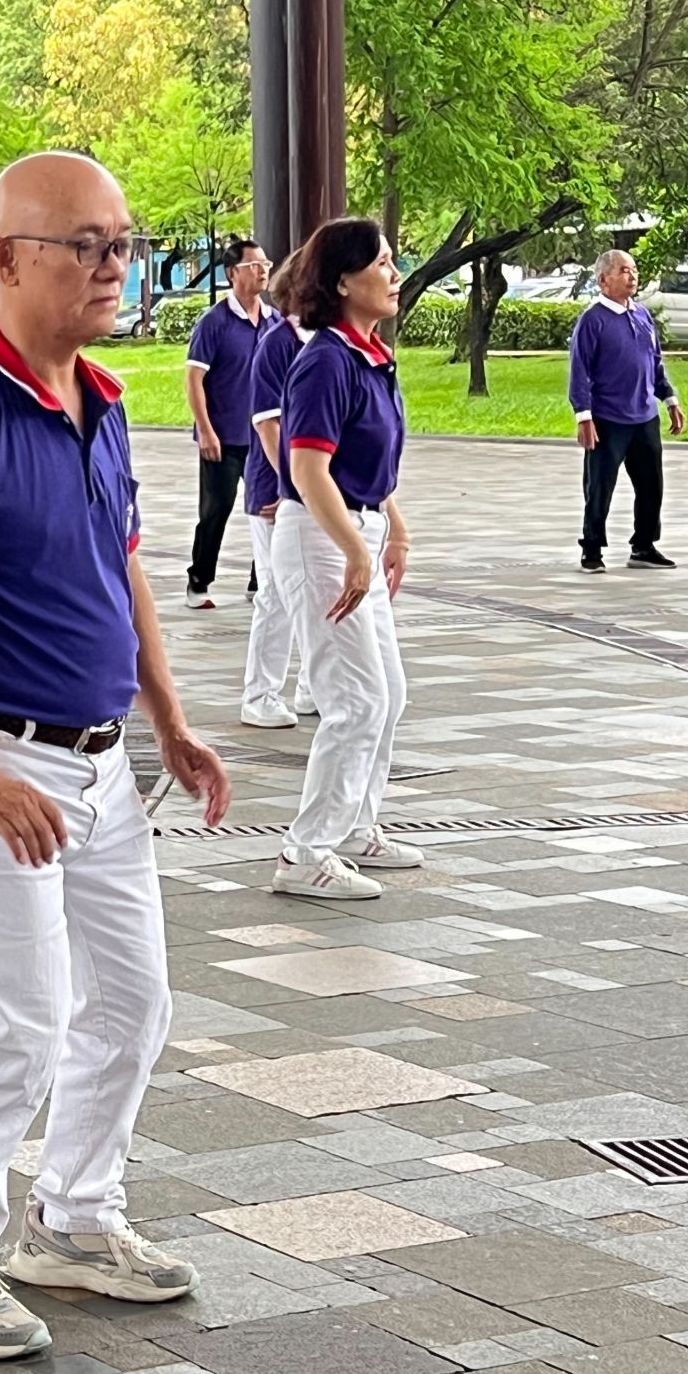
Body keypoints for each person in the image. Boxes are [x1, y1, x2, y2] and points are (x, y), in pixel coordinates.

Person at [0, 152, 230, 1362]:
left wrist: (168, 719)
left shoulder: (105, 401)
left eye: (122, 241)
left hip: (102, 759)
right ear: (10, 259)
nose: (113, 265)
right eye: (86, 244)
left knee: (131, 1003)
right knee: (16, 1023)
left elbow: (122, 567)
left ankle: (72, 1219)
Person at [270, 218, 424, 900]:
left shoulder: (369, 355)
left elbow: (370, 464)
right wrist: (354, 548)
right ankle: (305, 854)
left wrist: (393, 525)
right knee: (354, 699)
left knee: (386, 694)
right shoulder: (327, 359)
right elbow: (307, 467)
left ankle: (358, 822)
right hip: (320, 537)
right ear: (341, 282)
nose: (394, 274)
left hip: (352, 526)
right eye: (382, 263)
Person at [571, 249, 683, 573]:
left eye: (633, 270)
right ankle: (591, 550)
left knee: (652, 486)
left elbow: (655, 362)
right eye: (623, 270)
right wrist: (584, 416)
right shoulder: (592, 321)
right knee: (599, 488)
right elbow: (580, 371)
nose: (631, 276)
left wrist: (669, 399)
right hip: (608, 418)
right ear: (603, 280)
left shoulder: (643, 315)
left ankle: (644, 546)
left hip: (645, 415)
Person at [182, 240, 281, 610]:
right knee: (216, 510)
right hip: (223, 437)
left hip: (264, 437)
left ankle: (261, 582)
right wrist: (205, 429)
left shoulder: (275, 322)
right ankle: (199, 582)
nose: (262, 270)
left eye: (265, 263)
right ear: (232, 273)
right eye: (254, 265)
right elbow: (194, 379)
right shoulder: (215, 323)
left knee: (268, 508)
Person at [241, 253, 314, 728]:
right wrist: (291, 488)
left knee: (312, 591)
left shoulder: (325, 342)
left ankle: (312, 684)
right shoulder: (277, 344)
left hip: (312, 489)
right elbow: (270, 426)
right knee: (276, 592)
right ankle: (260, 694)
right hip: (277, 487)